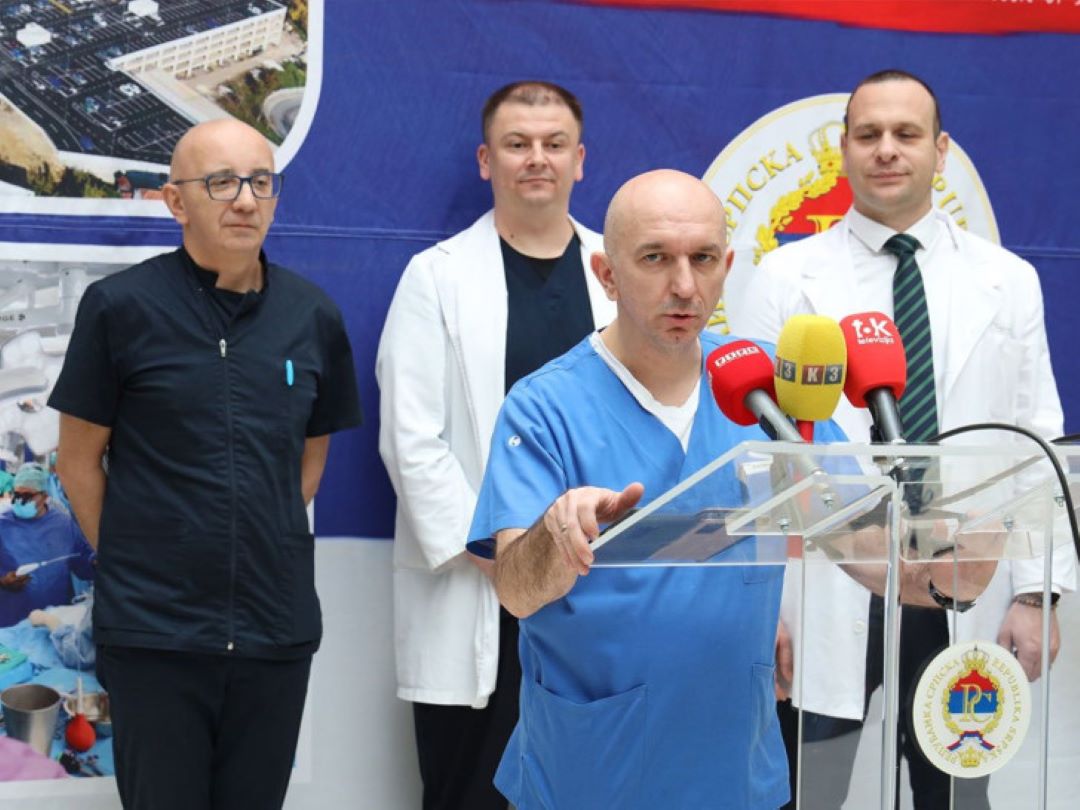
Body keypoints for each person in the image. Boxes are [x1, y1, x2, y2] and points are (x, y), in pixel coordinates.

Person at [465, 169, 985, 809]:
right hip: (592, 771)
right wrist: (556, 532)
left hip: (735, 773)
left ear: (727, 267)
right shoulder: (545, 406)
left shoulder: (772, 390)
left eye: (703, 259)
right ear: (606, 274)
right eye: (655, 258)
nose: (684, 285)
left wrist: (942, 573)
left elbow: (862, 544)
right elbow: (515, 591)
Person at [737, 69, 1076, 809]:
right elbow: (757, 458)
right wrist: (760, 611)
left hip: (961, 580)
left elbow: (1036, 442)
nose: (886, 149)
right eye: (868, 134)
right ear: (843, 149)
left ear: (940, 150)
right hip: (826, 584)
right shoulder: (786, 276)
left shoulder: (1008, 279)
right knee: (806, 793)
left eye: (906, 134)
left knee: (955, 796)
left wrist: (1038, 594)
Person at [47, 119, 362, 810]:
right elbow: (77, 462)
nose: (245, 200)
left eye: (260, 182)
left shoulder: (312, 316)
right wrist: (134, 560)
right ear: (175, 201)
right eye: (221, 182)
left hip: (274, 632)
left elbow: (309, 458)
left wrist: (260, 537)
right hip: (156, 636)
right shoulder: (120, 308)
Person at [376, 80, 614, 810]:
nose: (536, 158)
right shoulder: (436, 277)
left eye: (553, 144)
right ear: (487, 161)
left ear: (580, 160)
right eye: (517, 144)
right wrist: (506, 559)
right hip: (481, 583)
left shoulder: (620, 272)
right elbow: (411, 440)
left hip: (600, 585)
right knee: (470, 791)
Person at [0, 463, 95, 627]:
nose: (20, 501)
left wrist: (99, 562)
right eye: (17, 494)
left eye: (27, 495)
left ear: (44, 496)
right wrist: (3, 582)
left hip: (52, 619)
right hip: (10, 619)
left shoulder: (64, 525)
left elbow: (84, 566)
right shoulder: (3, 525)